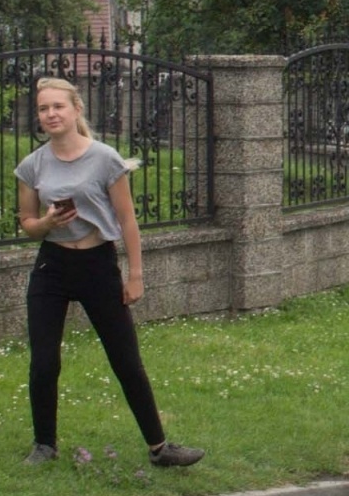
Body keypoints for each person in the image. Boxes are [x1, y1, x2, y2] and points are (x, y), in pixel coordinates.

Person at [13, 78, 205, 468]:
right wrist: (47, 223)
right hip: (52, 265)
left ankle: (160, 448)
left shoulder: (104, 158)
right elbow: (27, 224)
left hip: (98, 264)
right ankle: (44, 445)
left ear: (76, 109)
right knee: (44, 360)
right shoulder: (32, 165)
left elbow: (127, 220)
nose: (50, 114)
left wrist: (135, 275)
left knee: (125, 360)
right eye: (44, 109)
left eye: (58, 107)